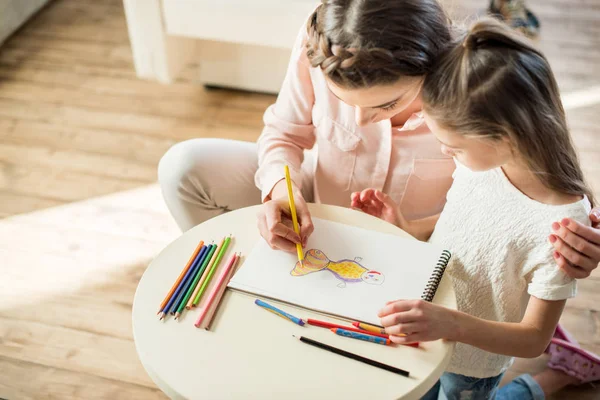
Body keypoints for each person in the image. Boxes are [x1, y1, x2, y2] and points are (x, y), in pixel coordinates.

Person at [157, 0, 600, 281]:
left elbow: (536, 189)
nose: (363, 121)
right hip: (320, 210)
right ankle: (253, 280)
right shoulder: (323, 44)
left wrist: (570, 243)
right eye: (342, 101)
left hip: (427, 245)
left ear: (435, 66)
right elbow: (284, 133)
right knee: (185, 167)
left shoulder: (475, 89)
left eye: (387, 105)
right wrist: (282, 190)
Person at [352, 18, 600, 399]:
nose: (445, 152)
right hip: (427, 326)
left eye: (453, 145)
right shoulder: (480, 164)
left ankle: (549, 380)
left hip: (471, 361)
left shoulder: (563, 225)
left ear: (504, 135)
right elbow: (467, 225)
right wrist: (408, 226)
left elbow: (533, 338)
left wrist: (449, 323)